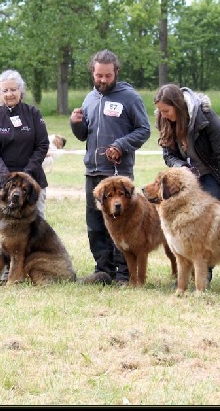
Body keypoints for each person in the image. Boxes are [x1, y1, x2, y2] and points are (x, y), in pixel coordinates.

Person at [69, 49, 151, 286]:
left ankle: (124, 274)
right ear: (92, 73)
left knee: (122, 224)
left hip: (117, 173)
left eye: (107, 76)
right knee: (96, 225)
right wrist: (75, 125)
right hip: (93, 171)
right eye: (98, 76)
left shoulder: (129, 97)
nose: (102, 80)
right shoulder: (90, 98)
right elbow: (84, 134)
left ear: (116, 72)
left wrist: (121, 145)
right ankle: (103, 271)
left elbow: (144, 129)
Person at [154, 84, 220, 288]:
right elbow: (168, 153)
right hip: (192, 176)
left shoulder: (206, 118)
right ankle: (188, 277)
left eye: (166, 111)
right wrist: (182, 167)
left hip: (219, 172)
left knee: (205, 224)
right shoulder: (163, 119)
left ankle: (204, 275)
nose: (163, 115)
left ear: (178, 106)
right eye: (160, 111)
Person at [0, 69, 50, 283]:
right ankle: (5, 272)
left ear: (21, 90)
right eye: (5, 90)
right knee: (4, 230)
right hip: (3, 183)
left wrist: (26, 175)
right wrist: (5, 175)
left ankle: (33, 269)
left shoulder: (33, 113)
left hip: (32, 181)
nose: (10, 94)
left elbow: (42, 145)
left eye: (13, 89)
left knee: (34, 230)